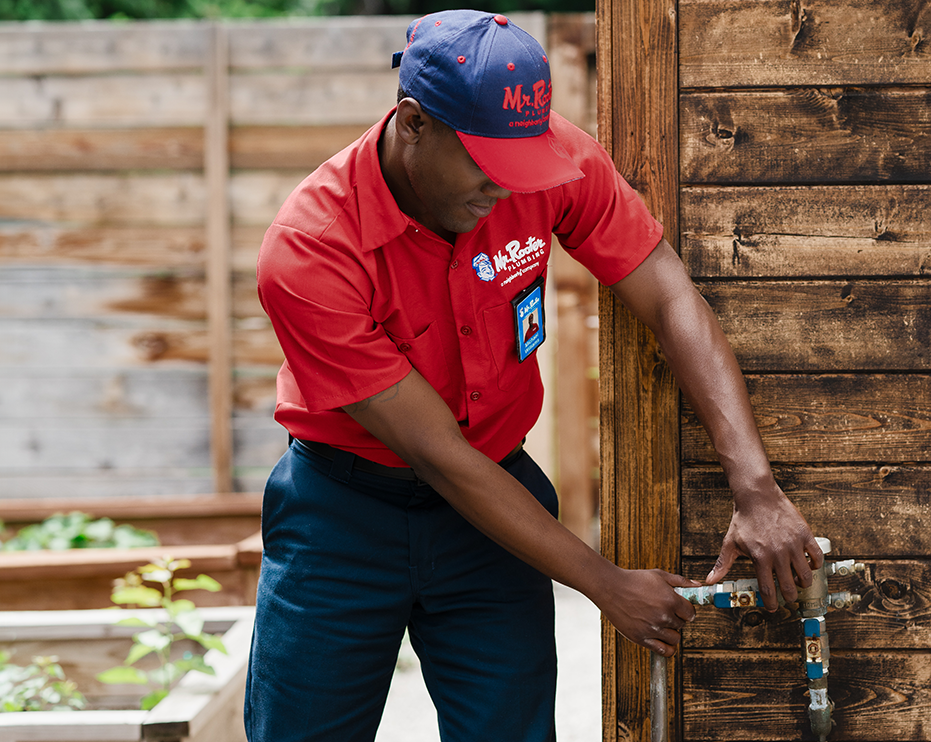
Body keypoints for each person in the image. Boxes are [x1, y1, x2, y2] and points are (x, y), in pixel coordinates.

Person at [245, 10, 821, 742]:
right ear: (414, 122)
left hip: (495, 513)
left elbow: (669, 294)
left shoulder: (545, 164)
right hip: (342, 519)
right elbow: (439, 456)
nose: (507, 190)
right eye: (488, 167)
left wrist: (756, 487)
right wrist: (604, 584)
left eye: (524, 165)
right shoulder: (310, 250)